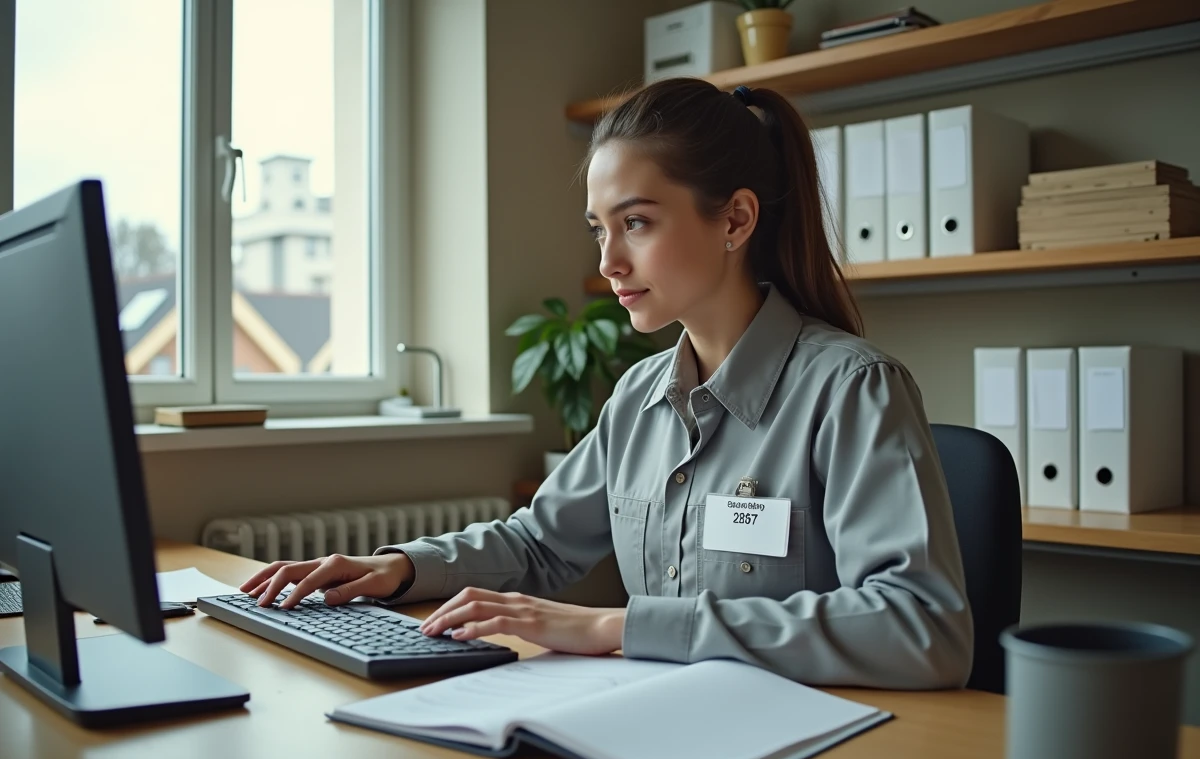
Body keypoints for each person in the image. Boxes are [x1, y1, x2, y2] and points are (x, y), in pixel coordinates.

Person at [243, 78, 973, 689]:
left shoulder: (852, 390)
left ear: (736, 220)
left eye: (638, 223)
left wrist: (616, 626)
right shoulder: (639, 397)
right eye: (600, 229)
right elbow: (539, 543)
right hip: (662, 719)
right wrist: (396, 568)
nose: (611, 261)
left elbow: (923, 626)